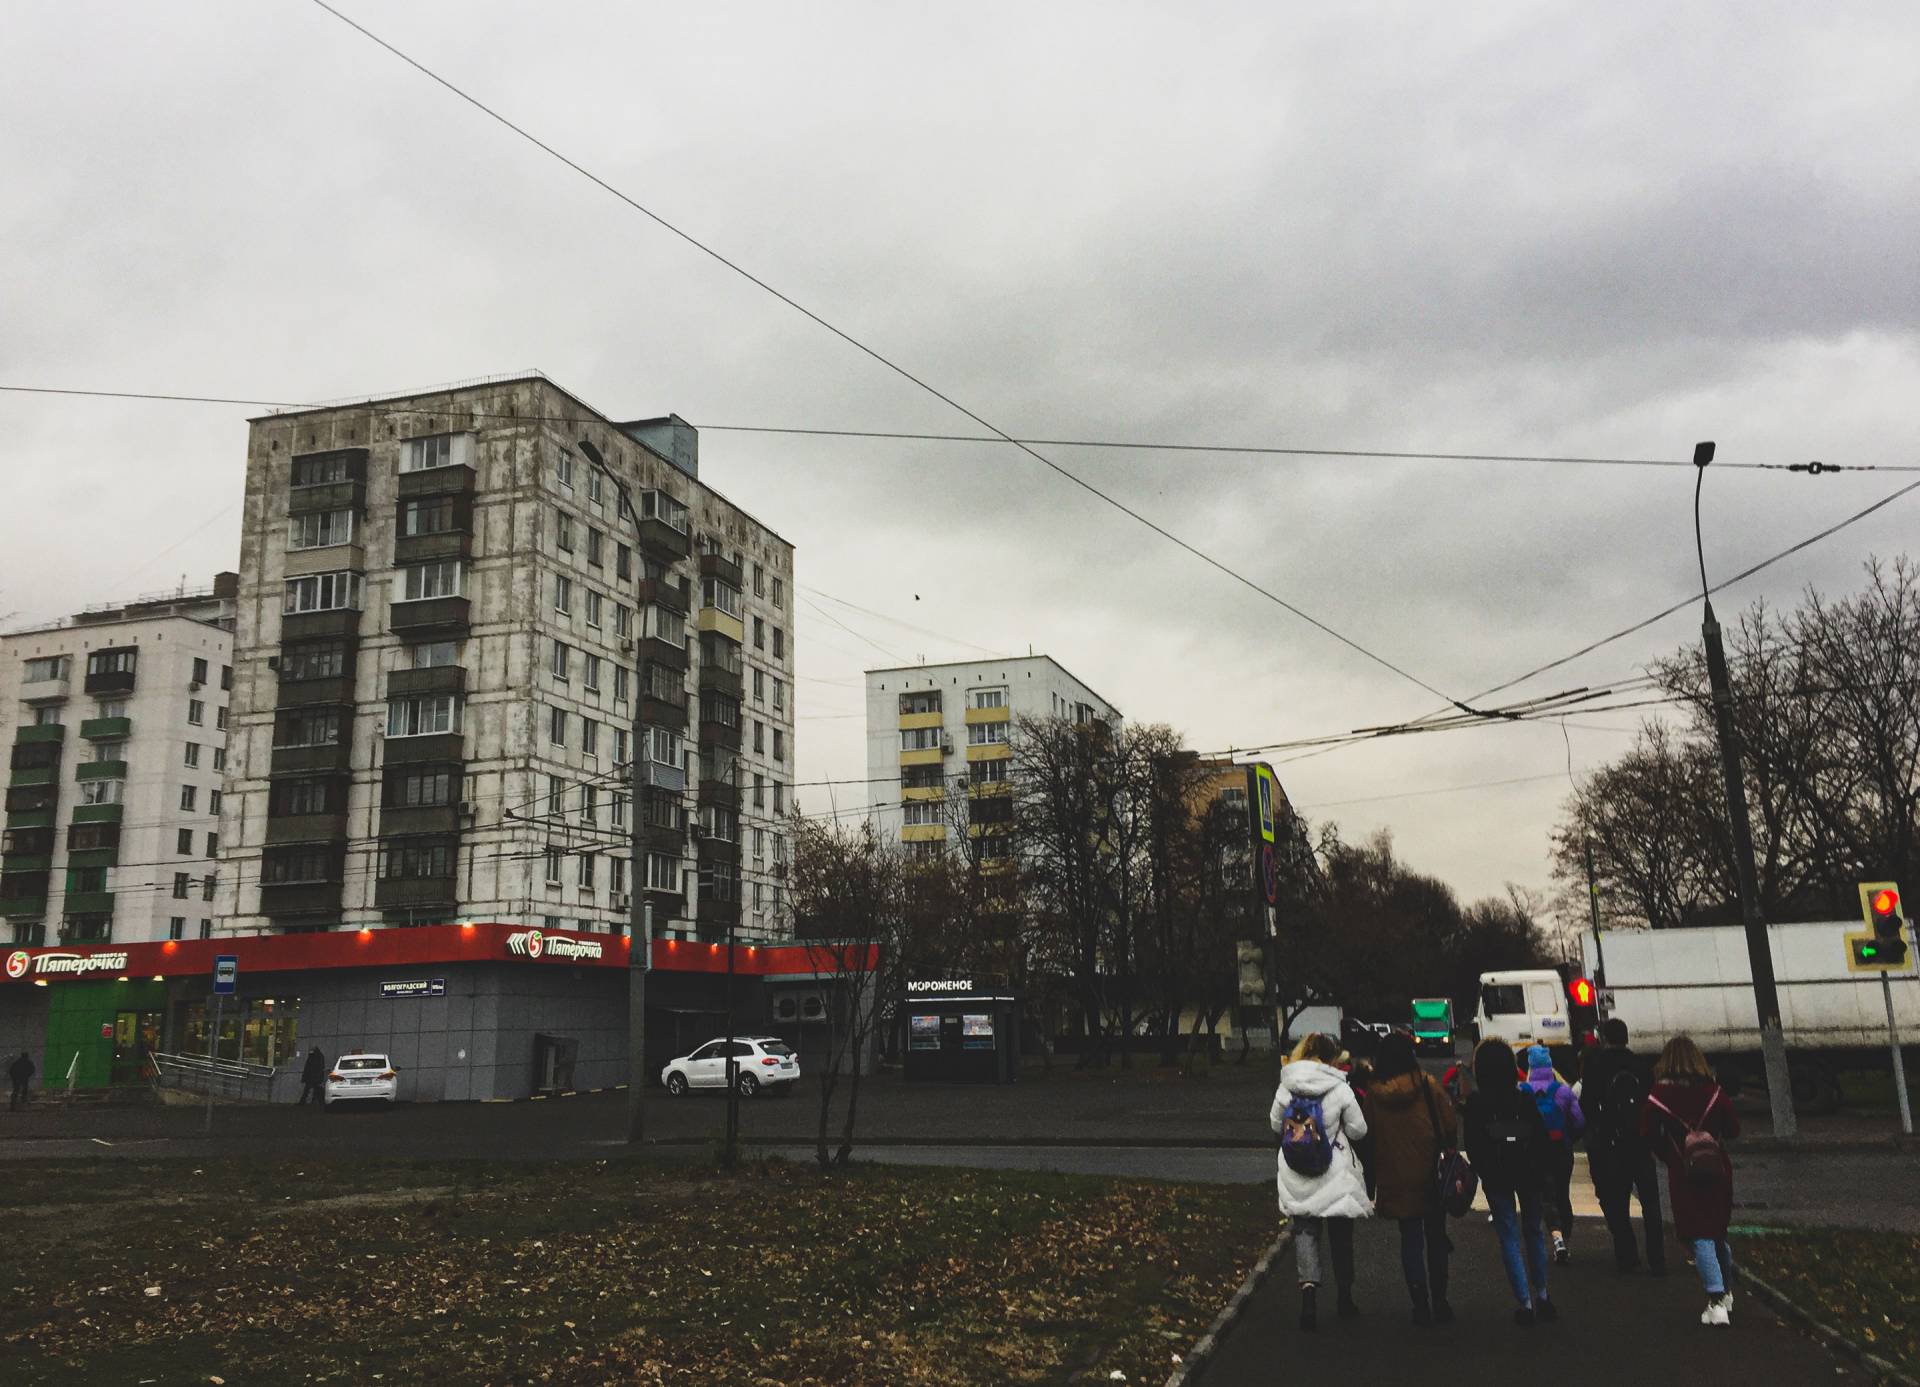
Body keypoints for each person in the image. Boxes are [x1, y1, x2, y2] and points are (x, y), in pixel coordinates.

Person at [1271, 1031, 1372, 1330]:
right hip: (1334, 1171)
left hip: (1297, 1169)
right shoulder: (1339, 1089)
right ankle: (1344, 1297)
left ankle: (1308, 1298)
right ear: (1331, 1057)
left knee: (1305, 1233)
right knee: (1341, 1237)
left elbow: (1276, 1124)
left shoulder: (1286, 1087)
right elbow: (1359, 1130)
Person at [1642, 1035, 1740, 1326]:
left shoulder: (1658, 1096)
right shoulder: (1714, 1091)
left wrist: (1670, 1154)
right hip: (1718, 1168)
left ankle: (1716, 1300)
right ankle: (1728, 1292)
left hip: (1684, 1171)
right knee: (1717, 1230)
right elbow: (1733, 1129)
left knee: (1699, 1234)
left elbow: (1647, 1132)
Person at [1363, 1031, 1458, 1324]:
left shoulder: (1374, 1095)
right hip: (1430, 1174)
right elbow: (1449, 1123)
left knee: (1411, 1241)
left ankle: (1419, 1303)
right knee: (1436, 1239)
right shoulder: (1427, 1085)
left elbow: (1367, 1136)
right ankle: (1441, 1300)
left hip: (1396, 1176)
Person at [1464, 1038, 1556, 1325]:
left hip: (1497, 1174)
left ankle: (1524, 1303)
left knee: (1509, 1237)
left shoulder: (1476, 1103)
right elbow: (1540, 1138)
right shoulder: (1523, 1098)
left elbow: (1473, 1145)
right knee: (1534, 1232)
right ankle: (1543, 1295)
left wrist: (1484, 1170)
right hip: (1528, 1172)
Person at [1582, 1019, 1665, 1275]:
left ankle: (1627, 1253)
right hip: (1640, 1142)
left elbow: (1587, 1105)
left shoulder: (1596, 1066)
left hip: (1612, 1143)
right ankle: (1657, 1258)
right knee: (1651, 1203)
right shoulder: (1641, 1066)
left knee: (1617, 1201)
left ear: (1605, 1038)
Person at [1521, 1043, 1585, 1263]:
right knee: (1562, 1193)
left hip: (1534, 1151)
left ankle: (1554, 1234)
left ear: (1530, 1066)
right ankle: (1564, 1237)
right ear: (1549, 1066)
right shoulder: (1563, 1091)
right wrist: (1568, 1138)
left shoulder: (1522, 1091)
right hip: (1561, 1149)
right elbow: (1579, 1121)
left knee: (1544, 1194)